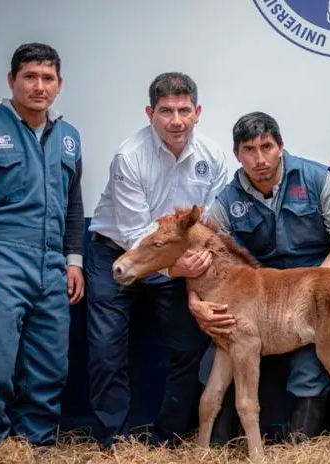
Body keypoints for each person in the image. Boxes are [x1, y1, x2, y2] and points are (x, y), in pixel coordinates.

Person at [188, 111, 330, 444]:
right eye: (249, 150)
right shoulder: (228, 199)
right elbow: (200, 253)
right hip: (259, 296)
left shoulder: (316, 178)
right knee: (210, 368)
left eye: (266, 147)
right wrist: (194, 303)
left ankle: (300, 448)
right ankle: (218, 446)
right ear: (237, 155)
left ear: (280, 146)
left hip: (312, 295)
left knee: (312, 369)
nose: (259, 158)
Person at [0, 42, 85, 446]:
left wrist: (73, 261)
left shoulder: (70, 138)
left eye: (47, 78)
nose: (38, 86)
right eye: (29, 77)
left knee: (50, 364)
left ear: (59, 84)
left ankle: (36, 444)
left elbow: (73, 206)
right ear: (12, 80)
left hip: (52, 267)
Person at [85, 72, 228, 448]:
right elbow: (135, 237)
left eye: (184, 110)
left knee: (189, 346)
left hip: (178, 258)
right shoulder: (129, 157)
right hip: (117, 252)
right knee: (106, 351)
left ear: (197, 112)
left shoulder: (213, 156)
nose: (176, 120)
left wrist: (190, 270)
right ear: (150, 112)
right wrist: (175, 267)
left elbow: (210, 226)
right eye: (166, 111)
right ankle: (114, 444)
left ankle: (170, 440)